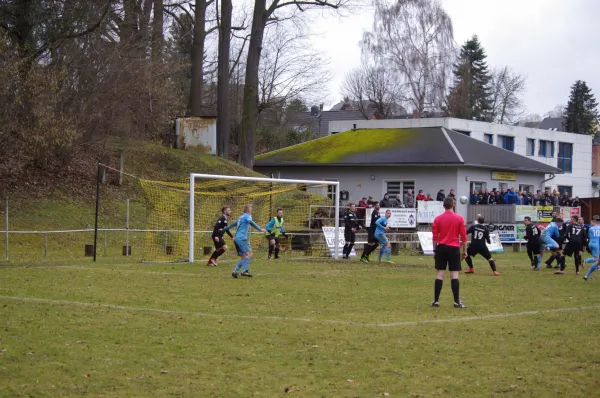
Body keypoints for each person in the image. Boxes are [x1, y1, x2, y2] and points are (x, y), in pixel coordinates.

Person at [431, 197, 468, 308]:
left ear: (444, 205)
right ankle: (456, 302)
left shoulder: (438, 219)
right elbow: (464, 237)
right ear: (453, 205)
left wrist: (435, 250)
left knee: (440, 274)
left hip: (441, 248)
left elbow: (434, 237)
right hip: (453, 248)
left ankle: (436, 301)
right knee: (454, 275)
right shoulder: (459, 218)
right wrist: (465, 251)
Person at [223, 204, 266, 278]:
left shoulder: (240, 217)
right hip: (242, 238)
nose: (252, 210)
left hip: (236, 239)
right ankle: (244, 271)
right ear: (248, 210)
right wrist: (260, 229)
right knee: (249, 254)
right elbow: (250, 222)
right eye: (251, 208)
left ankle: (235, 271)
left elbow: (231, 225)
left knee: (243, 257)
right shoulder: (247, 216)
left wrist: (222, 230)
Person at [584, 216, 600, 280]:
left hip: (590, 244)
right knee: (596, 260)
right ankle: (586, 261)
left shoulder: (591, 228)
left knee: (598, 261)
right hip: (596, 244)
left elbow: (589, 237)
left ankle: (586, 276)